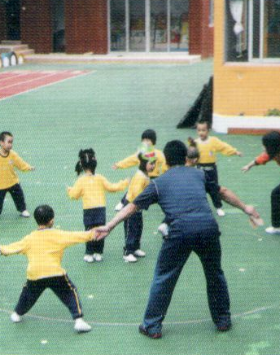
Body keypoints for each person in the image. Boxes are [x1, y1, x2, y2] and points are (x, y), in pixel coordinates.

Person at [95, 140, 262, 338]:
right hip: (208, 229)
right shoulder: (199, 174)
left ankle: (152, 326)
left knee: (164, 277)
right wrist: (246, 208)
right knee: (214, 274)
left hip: (180, 232)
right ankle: (223, 320)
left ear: (165, 160)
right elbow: (223, 192)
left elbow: (132, 206)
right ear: (185, 159)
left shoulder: (158, 183)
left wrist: (109, 226)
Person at [0, 205, 95, 333]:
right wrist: (93, 234)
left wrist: (3, 249)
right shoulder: (58, 234)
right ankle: (79, 320)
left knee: (27, 295)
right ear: (51, 221)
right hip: (55, 272)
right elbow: (76, 236)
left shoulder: (30, 238)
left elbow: (15, 247)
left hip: (35, 274)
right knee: (70, 292)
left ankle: (17, 314)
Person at [67, 148, 129, 263]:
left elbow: (74, 195)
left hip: (88, 211)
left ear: (82, 165)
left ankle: (89, 253)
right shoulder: (100, 178)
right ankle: (98, 253)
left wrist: (69, 191)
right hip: (100, 210)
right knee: (101, 230)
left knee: (89, 231)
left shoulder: (81, 181)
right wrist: (124, 183)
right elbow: (112, 187)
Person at [188, 121, 243, 217]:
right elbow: (190, 155)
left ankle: (218, 207)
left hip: (211, 170)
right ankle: (198, 208)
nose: (201, 132)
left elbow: (224, 147)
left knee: (214, 190)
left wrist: (235, 151)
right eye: (199, 130)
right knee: (199, 190)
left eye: (203, 130)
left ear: (208, 130)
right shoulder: (195, 143)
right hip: (199, 170)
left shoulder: (213, 141)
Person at [0, 131, 35, 223]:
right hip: (0, 185)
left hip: (13, 182)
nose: (10, 144)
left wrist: (28, 167)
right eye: (8, 142)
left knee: (19, 197)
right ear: (1, 143)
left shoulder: (13, 154)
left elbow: (21, 163)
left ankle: (22, 210)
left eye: (11, 142)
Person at [112, 129, 168, 211]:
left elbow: (165, 165)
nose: (145, 142)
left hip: (154, 178)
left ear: (153, 141)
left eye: (148, 140)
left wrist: (165, 175)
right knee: (133, 187)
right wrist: (119, 164)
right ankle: (123, 202)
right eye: (144, 140)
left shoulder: (159, 154)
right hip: (143, 176)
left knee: (156, 193)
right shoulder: (142, 153)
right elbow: (131, 160)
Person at [122, 145, 157, 263]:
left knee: (138, 227)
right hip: (132, 205)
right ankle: (128, 251)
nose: (153, 166)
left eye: (154, 163)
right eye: (151, 163)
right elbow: (137, 194)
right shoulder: (140, 176)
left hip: (138, 207)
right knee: (131, 229)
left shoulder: (145, 175)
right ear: (143, 163)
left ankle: (135, 247)